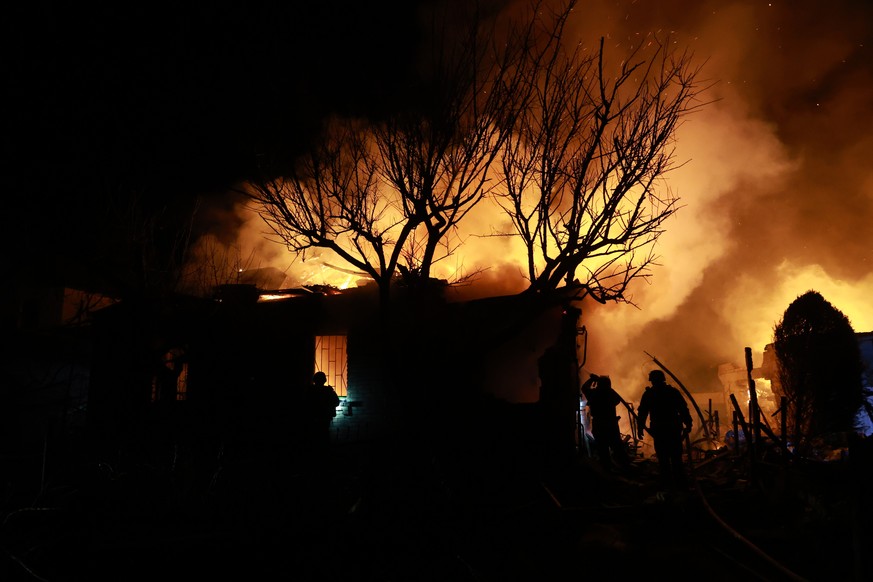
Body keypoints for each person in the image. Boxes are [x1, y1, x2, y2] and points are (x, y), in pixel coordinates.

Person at [637, 369, 693, 490]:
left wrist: (640, 427)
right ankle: (680, 483)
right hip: (672, 428)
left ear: (652, 380)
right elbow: (683, 409)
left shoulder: (649, 394)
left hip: (660, 429)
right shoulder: (672, 392)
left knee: (663, 458)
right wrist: (688, 423)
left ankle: (668, 483)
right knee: (675, 456)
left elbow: (642, 412)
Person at [580, 373, 630, 471]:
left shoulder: (594, 394)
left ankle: (607, 469)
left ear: (598, 384)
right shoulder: (611, 394)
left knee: (602, 448)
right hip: (611, 424)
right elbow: (617, 398)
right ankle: (626, 468)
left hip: (599, 424)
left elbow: (584, 388)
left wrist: (591, 380)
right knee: (617, 447)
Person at [302, 371, 340, 451]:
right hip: (324, 417)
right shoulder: (328, 391)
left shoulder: (309, 390)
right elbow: (336, 402)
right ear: (324, 380)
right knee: (324, 435)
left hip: (312, 418)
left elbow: (305, 404)